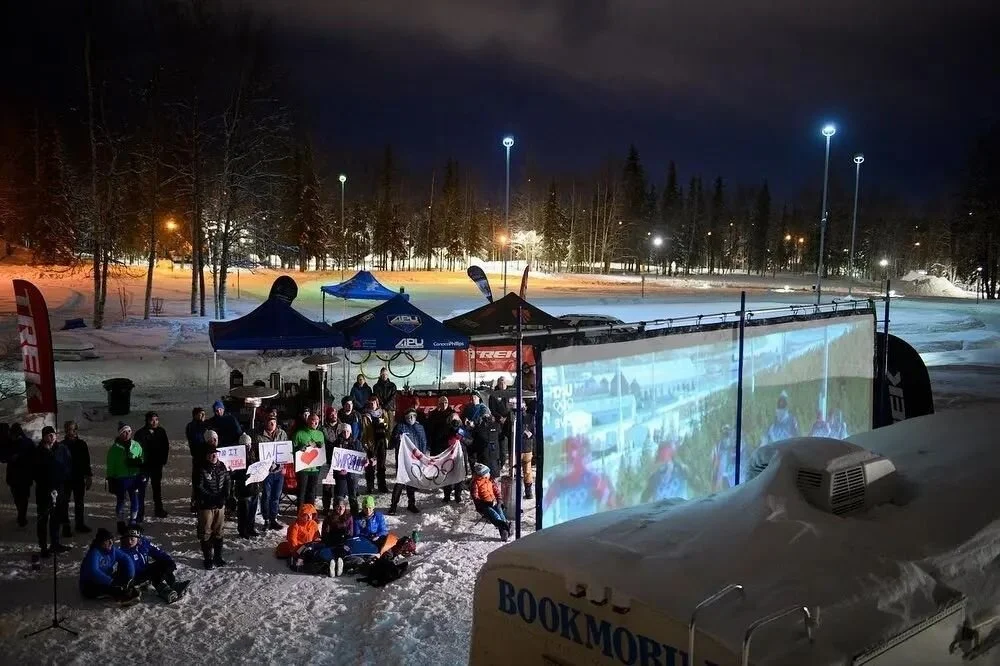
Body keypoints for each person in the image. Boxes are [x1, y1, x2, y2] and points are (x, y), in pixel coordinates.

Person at [119, 526, 189, 604]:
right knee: (154, 573)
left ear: (138, 539)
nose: (129, 542)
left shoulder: (143, 543)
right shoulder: (122, 551)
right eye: (127, 539)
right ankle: (164, 591)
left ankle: (175, 585)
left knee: (164, 563)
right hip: (134, 578)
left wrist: (169, 562)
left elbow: (157, 551)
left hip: (145, 571)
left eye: (132, 539)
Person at [33, 426, 73, 557]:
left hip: (59, 489)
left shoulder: (62, 448)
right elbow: (36, 473)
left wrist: (63, 480)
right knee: (43, 519)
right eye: (49, 435)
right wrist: (48, 486)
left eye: (53, 434)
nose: (52, 437)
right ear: (44, 436)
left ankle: (55, 543)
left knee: (56, 518)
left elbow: (68, 465)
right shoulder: (38, 452)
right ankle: (43, 547)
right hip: (44, 491)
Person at [79, 527, 140, 604]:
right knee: (113, 588)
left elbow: (126, 559)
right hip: (90, 586)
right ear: (100, 542)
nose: (111, 543)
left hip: (106, 577)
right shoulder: (94, 553)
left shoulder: (111, 550)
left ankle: (127, 588)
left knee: (123, 575)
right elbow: (94, 572)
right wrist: (111, 582)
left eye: (111, 540)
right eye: (107, 541)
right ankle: (123, 598)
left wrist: (130, 576)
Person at [195, 447, 231, 569]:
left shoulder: (222, 466)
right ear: (206, 456)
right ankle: (208, 558)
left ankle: (218, 556)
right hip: (206, 505)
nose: (214, 456)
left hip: (220, 505)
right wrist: (212, 498)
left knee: (219, 530)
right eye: (211, 454)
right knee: (205, 531)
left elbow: (227, 481)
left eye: (215, 453)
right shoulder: (201, 468)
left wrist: (226, 496)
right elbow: (199, 487)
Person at [107, 422, 144, 535]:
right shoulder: (115, 448)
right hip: (121, 478)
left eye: (128, 431)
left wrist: (138, 464)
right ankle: (120, 522)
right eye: (124, 432)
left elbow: (142, 458)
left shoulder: (136, 445)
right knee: (121, 500)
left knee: (135, 499)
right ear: (120, 434)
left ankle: (133, 521)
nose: (127, 433)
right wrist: (110, 478)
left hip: (134, 477)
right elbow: (110, 464)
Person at [387, 408, 425, 515]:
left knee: (412, 482)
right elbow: (391, 443)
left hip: (414, 460)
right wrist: (396, 438)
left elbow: (423, 443)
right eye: (408, 417)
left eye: (413, 416)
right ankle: (393, 506)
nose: (411, 418)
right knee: (400, 481)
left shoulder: (420, 427)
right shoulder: (400, 426)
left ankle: (411, 504)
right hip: (402, 459)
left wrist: (422, 459)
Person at [134, 411, 170, 520]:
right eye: (152, 420)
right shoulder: (140, 433)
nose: (154, 422)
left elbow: (165, 446)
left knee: (157, 488)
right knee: (141, 490)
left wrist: (163, 460)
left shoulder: (161, 431)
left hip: (157, 465)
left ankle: (159, 509)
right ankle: (140, 513)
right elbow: (137, 450)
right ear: (147, 421)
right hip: (144, 467)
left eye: (156, 420)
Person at [255, 410, 287, 531]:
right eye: (269, 421)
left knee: (276, 496)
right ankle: (266, 519)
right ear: (266, 423)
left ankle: (274, 518)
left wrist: (284, 467)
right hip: (266, 472)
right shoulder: (259, 435)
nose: (272, 423)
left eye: (273, 421)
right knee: (266, 496)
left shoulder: (282, 433)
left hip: (279, 471)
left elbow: (285, 450)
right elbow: (257, 453)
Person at [61, 420, 93, 535]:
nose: (72, 432)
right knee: (64, 502)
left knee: (79, 502)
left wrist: (88, 476)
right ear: (66, 430)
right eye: (70, 429)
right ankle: (66, 525)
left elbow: (86, 461)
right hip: (66, 479)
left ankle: (79, 524)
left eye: (74, 429)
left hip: (78, 477)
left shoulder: (82, 444)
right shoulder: (61, 445)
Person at [325, 422, 362, 514]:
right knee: (339, 495)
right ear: (341, 432)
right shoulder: (336, 443)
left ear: (351, 432)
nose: (346, 433)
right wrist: (338, 471)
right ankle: (337, 513)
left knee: (352, 494)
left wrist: (365, 461)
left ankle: (355, 514)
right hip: (340, 474)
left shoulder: (356, 443)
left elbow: (362, 455)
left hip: (353, 474)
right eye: (344, 431)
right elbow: (331, 458)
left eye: (348, 431)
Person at [470, 463, 511, 541]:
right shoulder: (475, 483)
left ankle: (504, 532)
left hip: (493, 502)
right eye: (487, 473)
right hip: (483, 506)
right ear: (482, 475)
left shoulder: (490, 481)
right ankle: (505, 526)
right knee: (494, 515)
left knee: (500, 512)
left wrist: (499, 500)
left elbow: (496, 491)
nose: (489, 474)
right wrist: (482, 503)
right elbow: (475, 496)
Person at [6, 423, 35, 527]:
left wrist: (20, 457)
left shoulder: (27, 443)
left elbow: (33, 458)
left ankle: (21, 516)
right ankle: (21, 514)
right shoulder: (9, 443)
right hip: (15, 476)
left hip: (24, 475)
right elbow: (4, 456)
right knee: (18, 497)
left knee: (23, 497)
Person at [293, 412, 325, 510]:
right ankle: (300, 513)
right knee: (302, 491)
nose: (315, 422)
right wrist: (298, 448)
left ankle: (310, 512)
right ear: (308, 420)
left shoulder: (320, 434)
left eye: (317, 421)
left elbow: (322, 449)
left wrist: (320, 447)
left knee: (312, 491)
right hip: (303, 468)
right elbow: (291, 449)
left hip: (315, 468)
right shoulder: (299, 433)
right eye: (312, 420)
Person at [233, 432, 261, 538]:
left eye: (248, 444)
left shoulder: (253, 454)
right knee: (243, 511)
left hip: (254, 486)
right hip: (243, 488)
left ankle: (250, 527)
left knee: (252, 510)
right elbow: (235, 473)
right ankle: (242, 530)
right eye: (245, 445)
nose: (247, 447)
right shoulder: (236, 456)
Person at [361, 396, 389, 494]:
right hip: (371, 442)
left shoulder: (383, 413)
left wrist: (383, 425)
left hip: (381, 441)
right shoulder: (365, 415)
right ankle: (370, 486)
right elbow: (364, 429)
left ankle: (382, 485)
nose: (372, 405)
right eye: (370, 403)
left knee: (381, 465)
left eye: (373, 403)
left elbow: (388, 426)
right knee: (370, 466)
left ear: (377, 403)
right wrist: (364, 442)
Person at [442, 414, 471, 503]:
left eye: (456, 419)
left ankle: (458, 495)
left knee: (460, 475)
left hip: (461, 455)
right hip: (449, 456)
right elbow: (440, 441)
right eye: (453, 419)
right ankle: (447, 495)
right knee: (448, 476)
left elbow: (470, 441)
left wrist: (462, 438)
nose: (455, 421)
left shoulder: (463, 429)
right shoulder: (445, 429)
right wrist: (448, 441)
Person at [185, 407, 207, 512]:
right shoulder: (191, 426)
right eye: (200, 414)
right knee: (197, 480)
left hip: (206, 457)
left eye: (204, 414)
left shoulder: (206, 425)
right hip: (198, 457)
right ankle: (195, 502)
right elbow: (196, 439)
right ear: (195, 415)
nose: (203, 416)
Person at [469, 413, 502, 480]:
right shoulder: (497, 426)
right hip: (491, 459)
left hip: (485, 459)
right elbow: (502, 442)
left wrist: (473, 462)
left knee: (484, 483)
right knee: (491, 483)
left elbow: (473, 447)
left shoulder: (478, 429)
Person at [372, 367, 398, 438]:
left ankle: (389, 442)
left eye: (386, 374)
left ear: (388, 375)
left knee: (390, 427)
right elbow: (377, 396)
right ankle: (382, 442)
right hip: (381, 410)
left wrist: (385, 406)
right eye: (383, 374)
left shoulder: (392, 386)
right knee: (382, 425)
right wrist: (382, 406)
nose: (384, 376)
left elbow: (393, 397)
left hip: (390, 409)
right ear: (380, 375)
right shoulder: (376, 386)